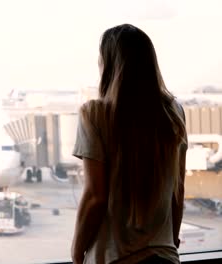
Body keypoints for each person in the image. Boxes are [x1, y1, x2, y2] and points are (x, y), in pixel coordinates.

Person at [71, 24, 187, 264]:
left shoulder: (94, 114)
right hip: (163, 256)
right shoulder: (173, 113)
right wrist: (171, 240)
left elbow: (96, 197)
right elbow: (178, 189)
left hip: (114, 258)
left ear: (110, 66)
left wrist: (76, 251)